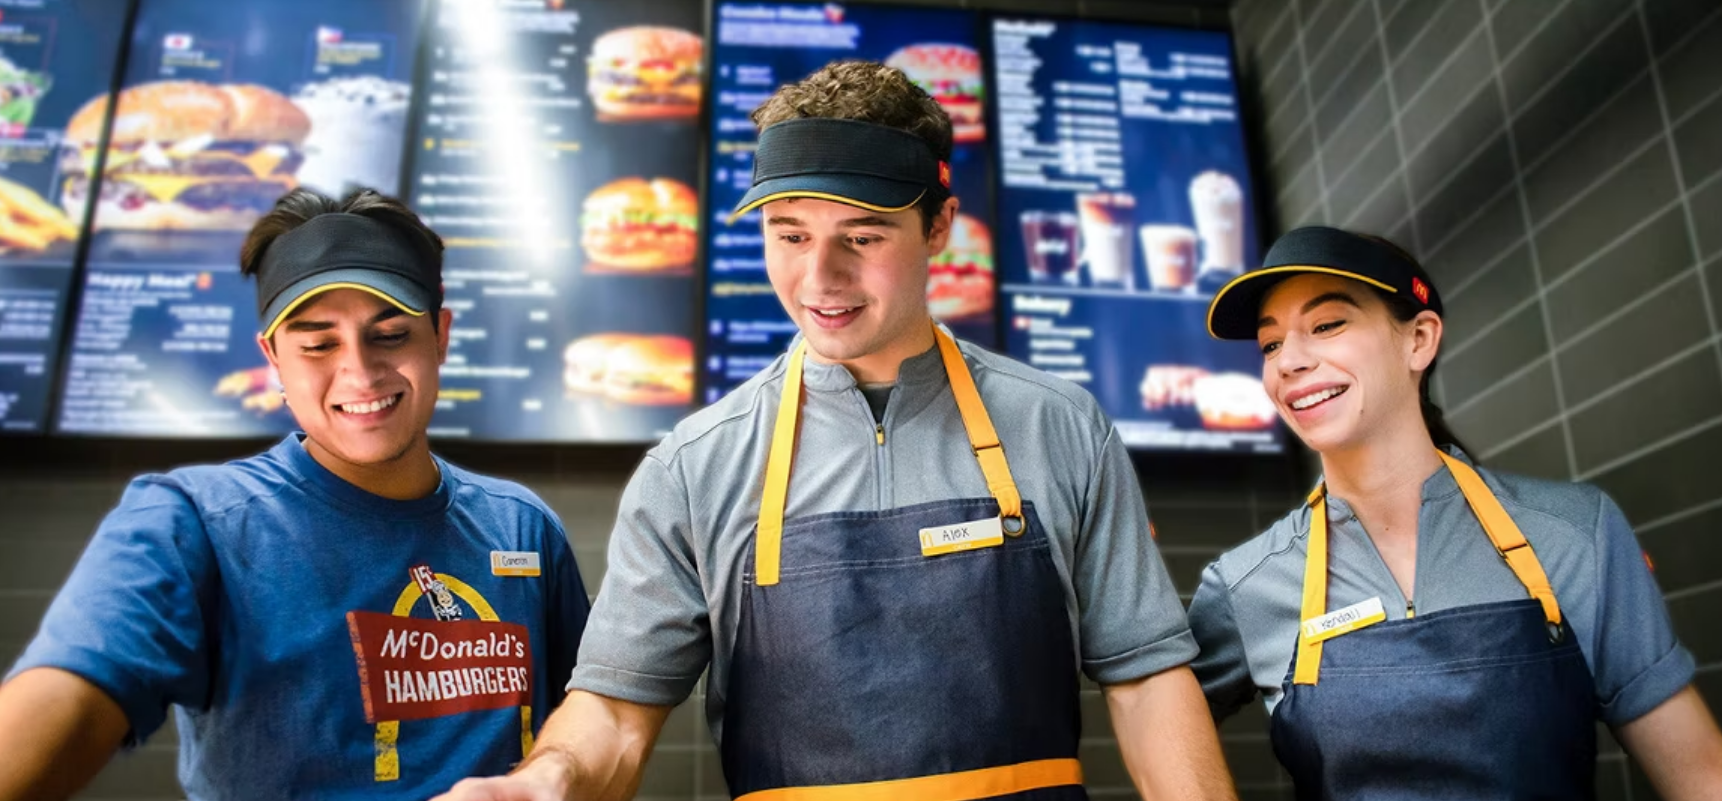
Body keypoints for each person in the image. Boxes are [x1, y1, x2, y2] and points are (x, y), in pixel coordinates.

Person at [435, 61, 1234, 801]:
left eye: (862, 236)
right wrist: (541, 781)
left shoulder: (1061, 426)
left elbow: (1147, 680)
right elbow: (614, 710)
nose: (820, 278)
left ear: (940, 226)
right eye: (790, 235)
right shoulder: (693, 467)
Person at [0, 188, 589, 800]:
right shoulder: (191, 523)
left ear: (440, 336)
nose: (360, 373)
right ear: (273, 358)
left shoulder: (522, 529)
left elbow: (587, 730)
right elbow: (71, 693)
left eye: (390, 335)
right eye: (318, 344)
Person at [1188, 225, 1722, 798]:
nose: (1288, 362)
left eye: (1327, 325)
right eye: (1270, 345)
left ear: (1419, 340)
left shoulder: (1575, 533)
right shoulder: (1246, 585)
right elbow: (1151, 719)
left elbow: (1700, 775)